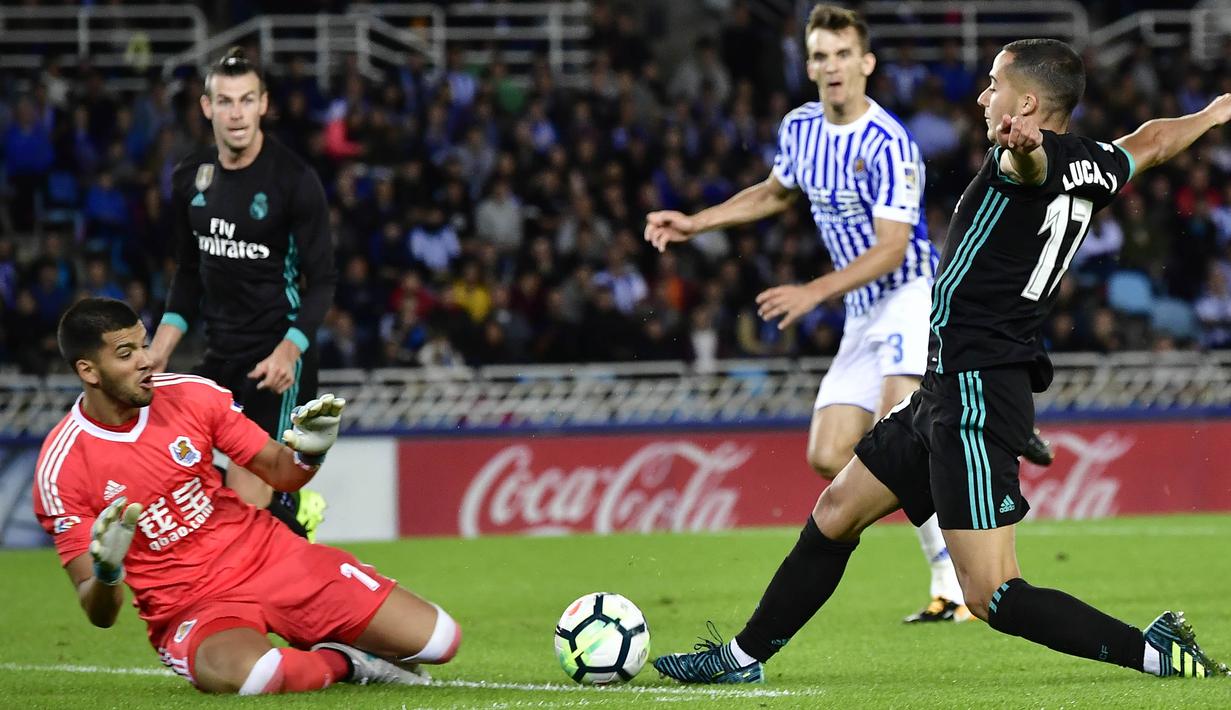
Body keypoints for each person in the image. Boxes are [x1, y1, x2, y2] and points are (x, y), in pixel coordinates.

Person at [653, 40, 1231, 683]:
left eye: (994, 84)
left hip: (976, 394)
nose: (984, 97)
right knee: (836, 512)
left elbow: (1030, 169)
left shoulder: (1025, 161)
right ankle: (741, 658)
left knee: (993, 594)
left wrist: (1025, 148)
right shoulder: (1094, 163)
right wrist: (1214, 113)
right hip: (945, 387)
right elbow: (1153, 141)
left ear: (1027, 104)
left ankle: (1155, 653)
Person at [644, 4, 1053, 624]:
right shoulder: (800, 128)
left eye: (842, 55)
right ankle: (988, 437)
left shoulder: (889, 143)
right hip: (862, 310)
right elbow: (775, 192)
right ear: (808, 66)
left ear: (866, 63)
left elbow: (892, 246)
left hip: (912, 294)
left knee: (900, 423)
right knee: (830, 453)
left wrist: (813, 293)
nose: (831, 66)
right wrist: (695, 223)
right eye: (820, 56)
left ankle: (951, 581)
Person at [33, 298, 461, 695]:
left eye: (144, 345)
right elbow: (99, 612)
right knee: (257, 675)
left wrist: (309, 454)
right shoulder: (61, 466)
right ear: (89, 371)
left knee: (441, 640)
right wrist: (108, 573)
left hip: (270, 557)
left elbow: (280, 471)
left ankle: (330, 635)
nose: (146, 360)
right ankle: (350, 662)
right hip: (189, 605)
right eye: (126, 354)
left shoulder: (192, 394)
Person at [148, 48, 337, 540]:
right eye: (226, 101)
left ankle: (291, 514)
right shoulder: (190, 177)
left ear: (263, 105)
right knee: (182, 472)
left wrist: (289, 350)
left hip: (277, 359)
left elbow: (323, 281)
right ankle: (293, 508)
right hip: (220, 356)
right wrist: (159, 351)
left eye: (247, 100)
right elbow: (189, 274)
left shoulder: (294, 180)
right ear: (207, 107)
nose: (236, 113)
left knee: (247, 506)